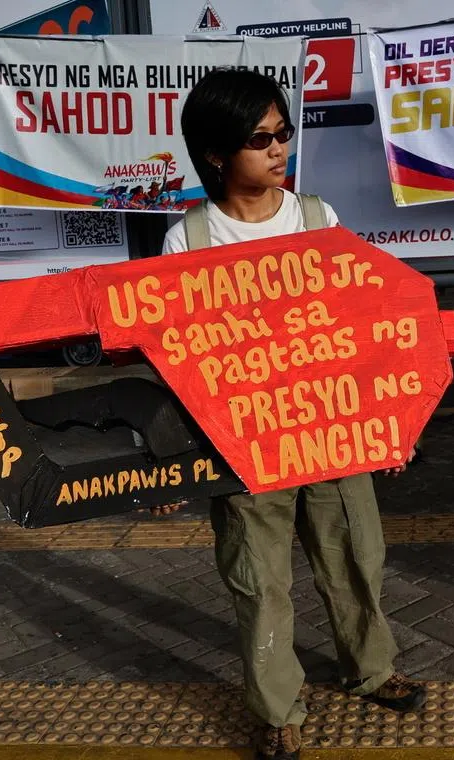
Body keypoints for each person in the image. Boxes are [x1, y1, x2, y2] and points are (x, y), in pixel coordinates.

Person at [157, 68, 425, 760]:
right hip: (244, 447)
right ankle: (279, 709)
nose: (280, 150)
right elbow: (177, 362)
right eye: (259, 138)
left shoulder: (317, 219)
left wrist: (387, 425)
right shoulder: (189, 240)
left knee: (356, 559)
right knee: (259, 580)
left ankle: (371, 670)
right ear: (216, 153)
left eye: (284, 133)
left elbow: (360, 328)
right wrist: (172, 466)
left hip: (333, 430)